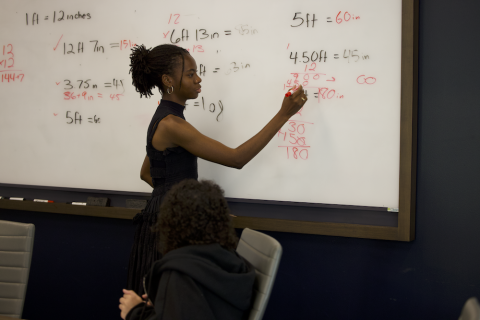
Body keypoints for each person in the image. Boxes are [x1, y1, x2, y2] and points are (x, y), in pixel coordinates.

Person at [127, 43, 307, 294]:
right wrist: (283, 115)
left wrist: (187, 208)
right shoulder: (172, 124)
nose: (198, 79)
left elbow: (148, 173)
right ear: (168, 80)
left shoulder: (163, 118)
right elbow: (236, 159)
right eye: (190, 74)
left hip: (162, 222)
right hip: (168, 230)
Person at [119, 179, 256, 320]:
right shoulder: (232, 262)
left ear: (170, 223)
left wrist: (134, 312)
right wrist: (166, 300)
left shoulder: (180, 272)